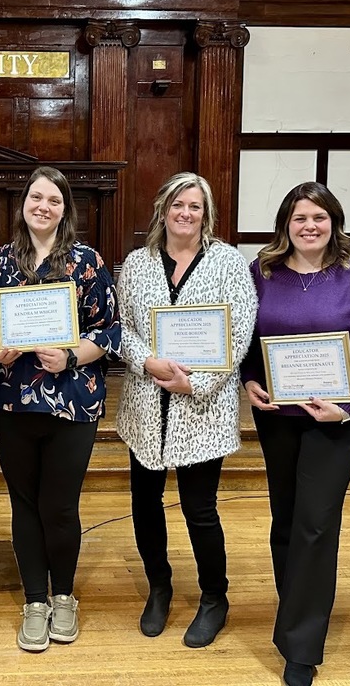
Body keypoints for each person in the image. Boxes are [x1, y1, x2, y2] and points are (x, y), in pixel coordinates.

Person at [240, 181, 350, 686]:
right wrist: (249, 380)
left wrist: (346, 406)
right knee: (285, 520)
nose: (310, 226)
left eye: (319, 218)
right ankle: (295, 610)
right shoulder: (263, 272)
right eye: (301, 217)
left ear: (334, 223)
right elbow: (245, 337)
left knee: (315, 524)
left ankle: (301, 647)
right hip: (279, 416)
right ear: (286, 222)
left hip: (336, 421)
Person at [0, 166, 121, 653]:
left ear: (66, 209)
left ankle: (64, 595)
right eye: (36, 197)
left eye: (54, 200)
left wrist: (71, 355)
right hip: (12, 399)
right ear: (23, 203)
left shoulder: (87, 262)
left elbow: (110, 330)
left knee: (59, 506)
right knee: (23, 504)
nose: (43, 206)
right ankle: (34, 600)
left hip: (73, 400)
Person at [116, 172, 257, 645]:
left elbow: (238, 335)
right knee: (144, 504)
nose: (185, 213)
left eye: (194, 206)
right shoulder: (136, 264)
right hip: (145, 403)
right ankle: (159, 587)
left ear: (206, 214)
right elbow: (123, 327)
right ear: (162, 208)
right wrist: (147, 361)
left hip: (203, 407)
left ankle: (214, 596)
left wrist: (193, 382)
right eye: (177, 204)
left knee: (200, 509)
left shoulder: (229, 264)